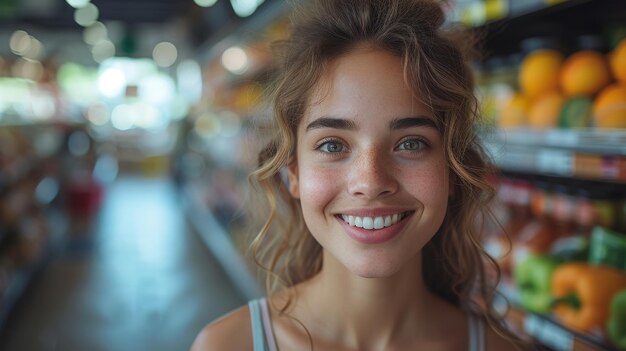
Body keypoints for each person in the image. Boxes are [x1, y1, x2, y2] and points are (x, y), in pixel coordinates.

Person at [192, 0, 530, 350]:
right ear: (293, 171)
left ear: (453, 169)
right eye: (333, 146)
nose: (370, 182)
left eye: (411, 144)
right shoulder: (226, 344)